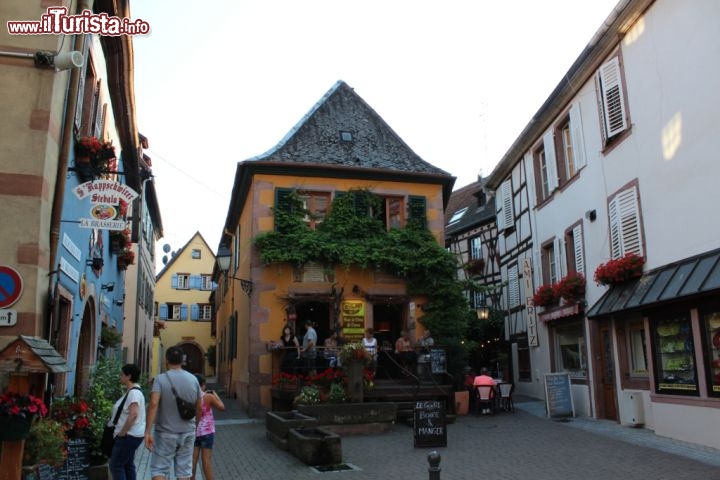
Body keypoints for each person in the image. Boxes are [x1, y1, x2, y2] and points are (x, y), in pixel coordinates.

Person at [145, 346, 202, 480]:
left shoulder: (160, 379)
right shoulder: (193, 379)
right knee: (184, 472)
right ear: (183, 360)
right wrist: (196, 427)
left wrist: (147, 431)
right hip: (188, 431)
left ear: (166, 360)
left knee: (159, 469)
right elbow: (199, 407)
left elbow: (153, 404)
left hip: (165, 432)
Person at [109, 363, 146, 480]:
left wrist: (122, 432)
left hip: (128, 435)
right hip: (132, 435)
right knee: (128, 464)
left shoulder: (134, 393)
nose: (120, 376)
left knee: (116, 465)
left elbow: (133, 414)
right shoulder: (133, 392)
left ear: (128, 376)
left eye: (122, 374)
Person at [191, 374, 225, 480]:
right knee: (206, 460)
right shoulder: (208, 397)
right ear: (203, 385)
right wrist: (215, 395)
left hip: (194, 431)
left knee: (192, 460)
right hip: (207, 432)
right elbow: (222, 407)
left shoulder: (191, 396)